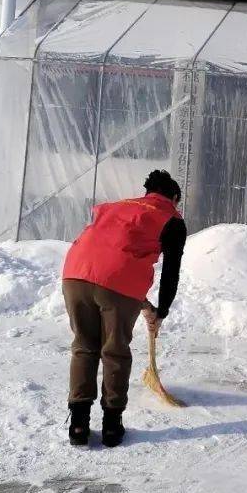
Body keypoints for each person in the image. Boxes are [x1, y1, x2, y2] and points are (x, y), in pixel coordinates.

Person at [61, 170, 188, 447]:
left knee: (84, 346)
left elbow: (110, 258)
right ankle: (111, 425)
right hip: (116, 282)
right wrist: (162, 311)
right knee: (115, 350)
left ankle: (78, 425)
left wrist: (146, 305)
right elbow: (170, 273)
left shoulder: (119, 208)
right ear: (174, 197)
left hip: (75, 273)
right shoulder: (171, 219)